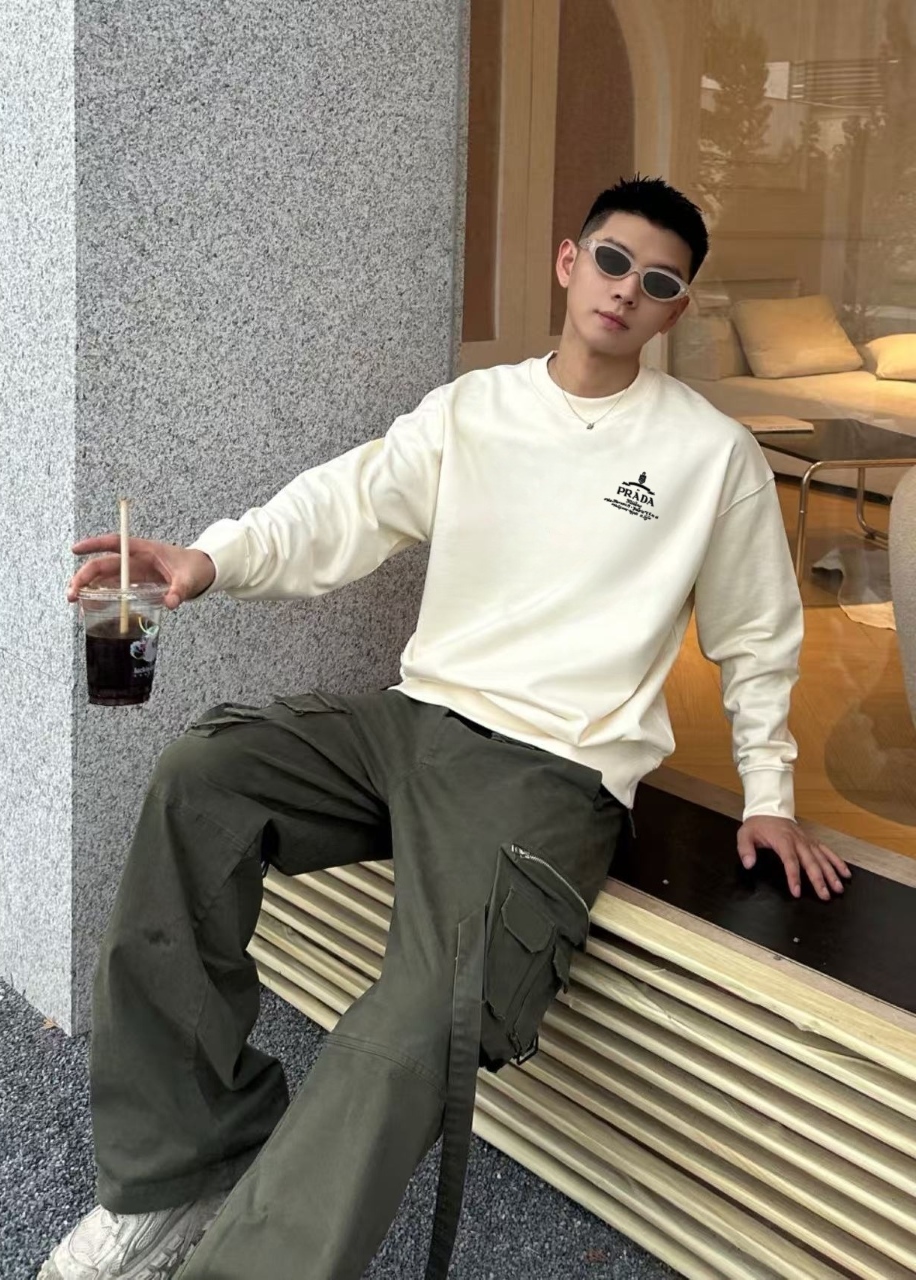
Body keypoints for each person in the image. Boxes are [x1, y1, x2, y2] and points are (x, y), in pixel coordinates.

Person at [42, 175, 851, 1280]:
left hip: (550, 769)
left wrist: (769, 795)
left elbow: (758, 637)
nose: (627, 290)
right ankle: (180, 1167)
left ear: (677, 309)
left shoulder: (712, 456)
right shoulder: (476, 409)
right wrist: (210, 559)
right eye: (612, 260)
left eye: (659, 282)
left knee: (418, 1017)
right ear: (569, 262)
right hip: (413, 720)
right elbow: (347, 502)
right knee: (202, 775)